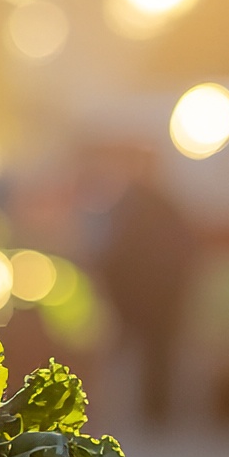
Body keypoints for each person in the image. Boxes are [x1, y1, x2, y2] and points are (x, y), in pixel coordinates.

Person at [89, 142, 199, 430]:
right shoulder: (155, 203)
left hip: (148, 294)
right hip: (150, 294)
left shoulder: (136, 203)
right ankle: (150, 412)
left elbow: (115, 249)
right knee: (150, 355)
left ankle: (146, 412)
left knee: (140, 354)